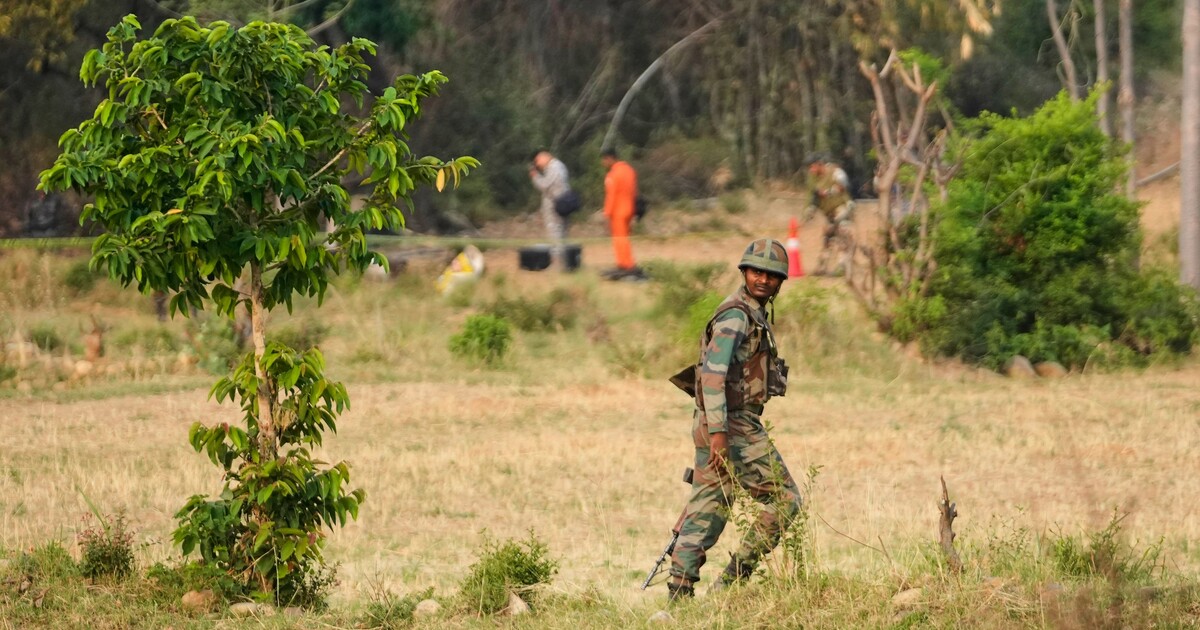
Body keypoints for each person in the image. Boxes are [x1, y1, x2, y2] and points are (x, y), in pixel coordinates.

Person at [666, 238, 802, 601]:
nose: (764, 280)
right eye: (757, 271)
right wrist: (720, 435)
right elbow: (711, 376)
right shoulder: (737, 316)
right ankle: (729, 584)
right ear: (744, 272)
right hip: (731, 423)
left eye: (772, 275)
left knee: (712, 501)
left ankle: (679, 592)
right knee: (785, 499)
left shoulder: (751, 311)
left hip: (717, 420)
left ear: (780, 282)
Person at [804, 155, 855, 275]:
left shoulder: (835, 172)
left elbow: (844, 187)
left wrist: (828, 192)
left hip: (842, 209)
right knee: (828, 238)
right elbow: (814, 196)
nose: (811, 170)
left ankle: (843, 267)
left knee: (843, 235)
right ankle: (822, 267)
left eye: (812, 166)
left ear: (819, 164)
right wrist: (810, 209)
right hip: (829, 213)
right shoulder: (814, 178)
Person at [600, 148, 643, 280]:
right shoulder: (629, 170)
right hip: (629, 209)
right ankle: (626, 263)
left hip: (618, 211)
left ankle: (626, 264)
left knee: (619, 239)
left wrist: (607, 213)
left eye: (604, 160)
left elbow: (611, 196)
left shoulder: (613, 174)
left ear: (609, 158)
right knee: (624, 237)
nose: (603, 163)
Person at [529, 149, 572, 270]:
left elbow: (545, 185)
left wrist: (535, 176)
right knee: (559, 235)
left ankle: (558, 265)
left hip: (556, 207)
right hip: (556, 206)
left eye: (538, 160)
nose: (537, 164)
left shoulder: (555, 167)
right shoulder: (556, 167)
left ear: (545, 156)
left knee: (556, 234)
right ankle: (561, 264)